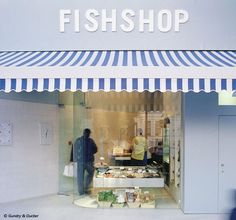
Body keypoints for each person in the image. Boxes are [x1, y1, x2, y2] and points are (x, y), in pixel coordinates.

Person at [74, 128, 97, 195]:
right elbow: (95, 149)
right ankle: (85, 189)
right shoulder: (90, 141)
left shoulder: (79, 140)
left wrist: (75, 159)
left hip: (82, 161)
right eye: (88, 133)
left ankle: (82, 191)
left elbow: (74, 150)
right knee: (89, 174)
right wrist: (90, 152)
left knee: (81, 176)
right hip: (87, 161)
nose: (88, 134)